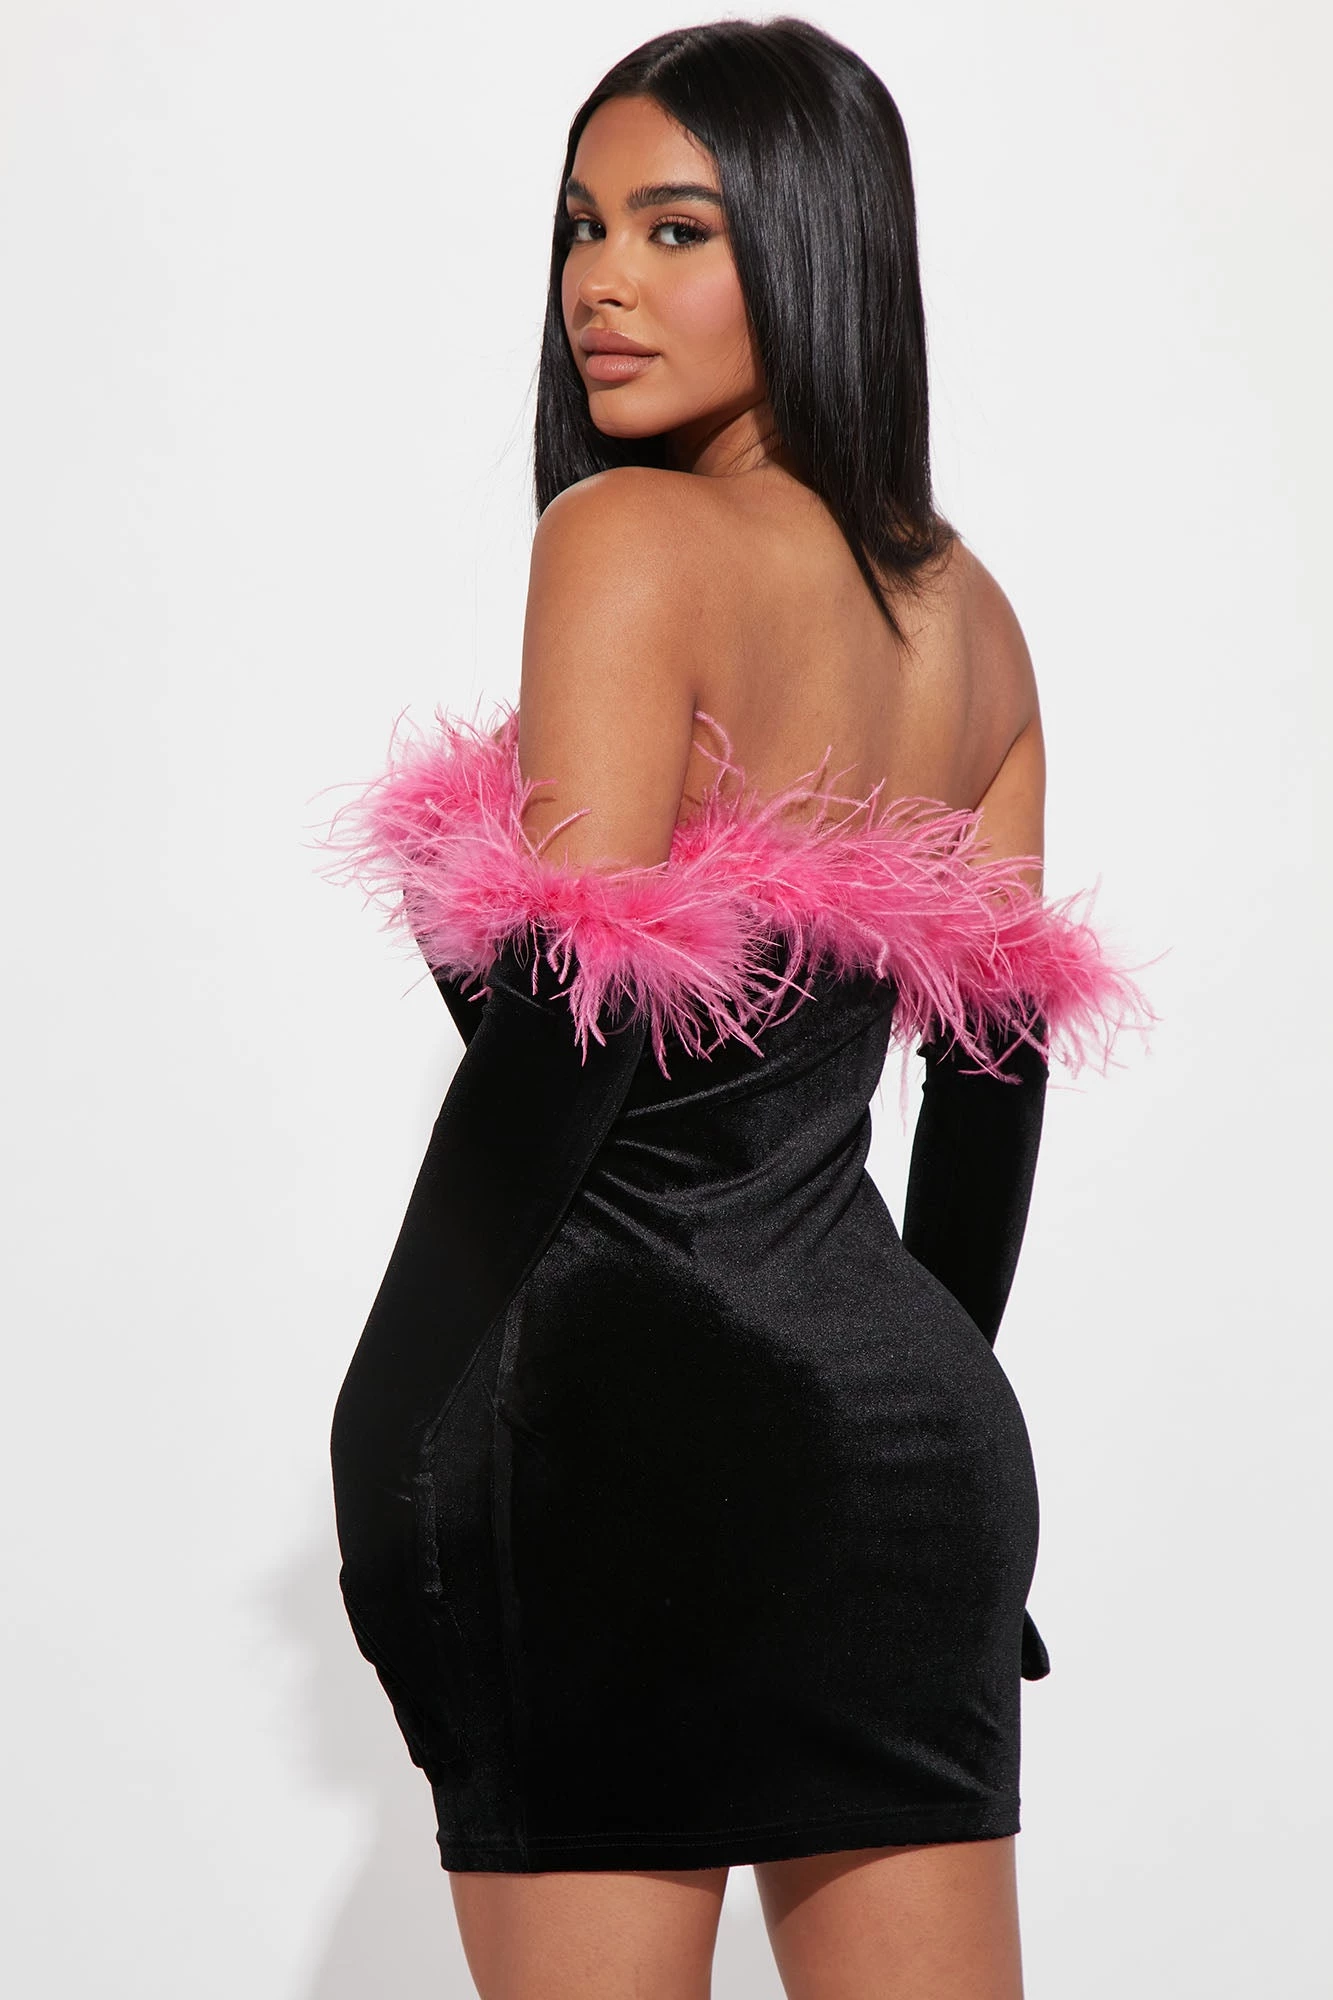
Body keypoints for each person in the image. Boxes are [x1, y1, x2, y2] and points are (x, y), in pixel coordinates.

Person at [316, 18, 1155, 1998]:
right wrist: (918, 1452)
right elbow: (992, 1097)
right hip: (909, 1452)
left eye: (674, 229)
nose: (601, 282)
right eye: (581, 226)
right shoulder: (969, 617)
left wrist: (378, 1432)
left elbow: (568, 1048)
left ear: (812, 242)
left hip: (614, 1438)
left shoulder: (622, 537)